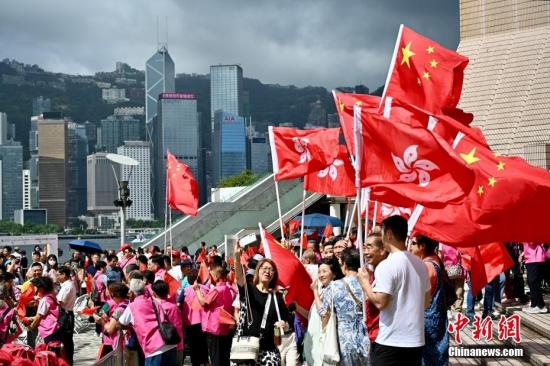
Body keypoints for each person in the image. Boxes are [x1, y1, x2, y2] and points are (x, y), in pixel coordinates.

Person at [358, 215, 431, 366]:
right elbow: (426, 301)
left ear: (389, 234)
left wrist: (365, 283)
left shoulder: (388, 265)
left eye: (382, 232)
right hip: (415, 341)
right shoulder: (421, 264)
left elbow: (380, 303)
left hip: (391, 342)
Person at [234, 242, 290, 365]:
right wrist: (237, 258)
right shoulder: (249, 290)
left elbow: (286, 321)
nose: (267, 271)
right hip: (247, 350)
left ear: (274, 274)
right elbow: (239, 277)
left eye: (271, 269)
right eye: (264, 268)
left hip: (269, 351)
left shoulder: (278, 297)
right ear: (257, 271)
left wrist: (283, 325)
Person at [318, 248, 369, 365]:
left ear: (344, 264)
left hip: (344, 338)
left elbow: (324, 313)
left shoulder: (334, 286)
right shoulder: (368, 282)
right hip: (365, 334)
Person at [117, 278, 177, 365]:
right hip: (169, 344)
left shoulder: (132, 307)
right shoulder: (155, 302)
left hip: (154, 347)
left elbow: (120, 323)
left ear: (132, 292)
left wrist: (131, 327)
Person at [410, 236, 449, 366]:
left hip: (427, 321)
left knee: (426, 359)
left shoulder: (426, 266)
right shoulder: (435, 259)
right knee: (438, 356)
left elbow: (418, 296)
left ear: (422, 246)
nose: (411, 246)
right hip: (438, 318)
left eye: (414, 243)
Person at [194, 264, 236, 366]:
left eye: (211, 276)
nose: (209, 278)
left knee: (216, 356)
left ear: (217, 276)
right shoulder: (229, 288)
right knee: (224, 356)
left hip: (215, 327)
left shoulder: (217, 289)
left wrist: (197, 290)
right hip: (224, 327)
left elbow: (204, 303)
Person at [305, 257, 343, 366]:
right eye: (319, 272)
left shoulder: (332, 289)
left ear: (334, 274)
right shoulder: (325, 290)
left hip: (329, 340)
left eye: (325, 271)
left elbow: (323, 313)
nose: (321, 275)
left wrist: (315, 291)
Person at [363, 232, 388, 354]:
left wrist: (364, 283)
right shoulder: (374, 271)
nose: (365, 252)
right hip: (373, 333)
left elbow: (380, 303)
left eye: (369, 247)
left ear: (382, 250)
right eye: (364, 247)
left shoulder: (385, 270)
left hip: (383, 334)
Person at [152, 281, 185, 366]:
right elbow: (178, 326)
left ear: (154, 293)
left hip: (158, 347)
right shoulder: (173, 307)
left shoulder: (153, 307)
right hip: (175, 345)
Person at [182, 269, 209, 366]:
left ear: (188, 280)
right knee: (203, 344)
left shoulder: (184, 291)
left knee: (193, 346)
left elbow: (180, 304)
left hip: (189, 322)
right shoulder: (206, 289)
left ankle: (195, 363)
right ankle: (205, 361)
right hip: (204, 322)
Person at [25, 276, 63, 344]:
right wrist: (31, 318)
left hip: (49, 329)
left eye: (37, 287)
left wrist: (31, 327)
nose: (37, 289)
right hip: (56, 327)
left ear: (42, 288)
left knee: (51, 350)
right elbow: (48, 314)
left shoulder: (44, 300)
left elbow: (39, 316)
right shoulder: (51, 296)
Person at [98, 282, 130, 358]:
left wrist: (102, 321)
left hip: (121, 344)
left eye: (111, 294)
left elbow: (110, 329)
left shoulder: (119, 310)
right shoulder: (129, 303)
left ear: (115, 295)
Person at [57, 266, 77, 365]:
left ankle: (67, 362)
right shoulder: (67, 285)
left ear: (64, 275)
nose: (57, 276)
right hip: (67, 314)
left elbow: (60, 301)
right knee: (67, 341)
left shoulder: (67, 286)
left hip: (65, 315)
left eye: (58, 274)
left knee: (66, 341)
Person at [521, 242, 548, 313]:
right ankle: (534, 305)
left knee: (533, 282)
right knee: (531, 282)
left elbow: (533, 242)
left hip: (535, 258)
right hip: (530, 258)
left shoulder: (532, 232)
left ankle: (541, 305)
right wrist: (523, 253)